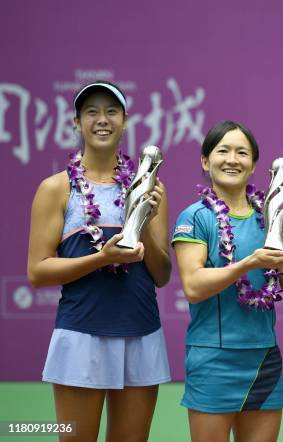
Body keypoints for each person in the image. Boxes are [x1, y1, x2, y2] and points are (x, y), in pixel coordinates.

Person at [27, 81, 172, 441]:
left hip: (141, 332)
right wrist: (100, 258)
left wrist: (149, 219)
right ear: (77, 122)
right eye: (91, 112)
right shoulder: (56, 189)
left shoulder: (151, 186)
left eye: (111, 111)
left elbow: (162, 273)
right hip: (81, 334)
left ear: (125, 120)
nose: (102, 119)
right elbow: (38, 271)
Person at [172, 120, 283, 442]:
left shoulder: (270, 216)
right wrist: (248, 263)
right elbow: (193, 285)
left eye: (242, 153)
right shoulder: (194, 217)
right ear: (206, 161)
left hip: (263, 360)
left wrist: (280, 227)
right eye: (223, 151)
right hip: (213, 359)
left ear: (253, 165)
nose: (233, 159)